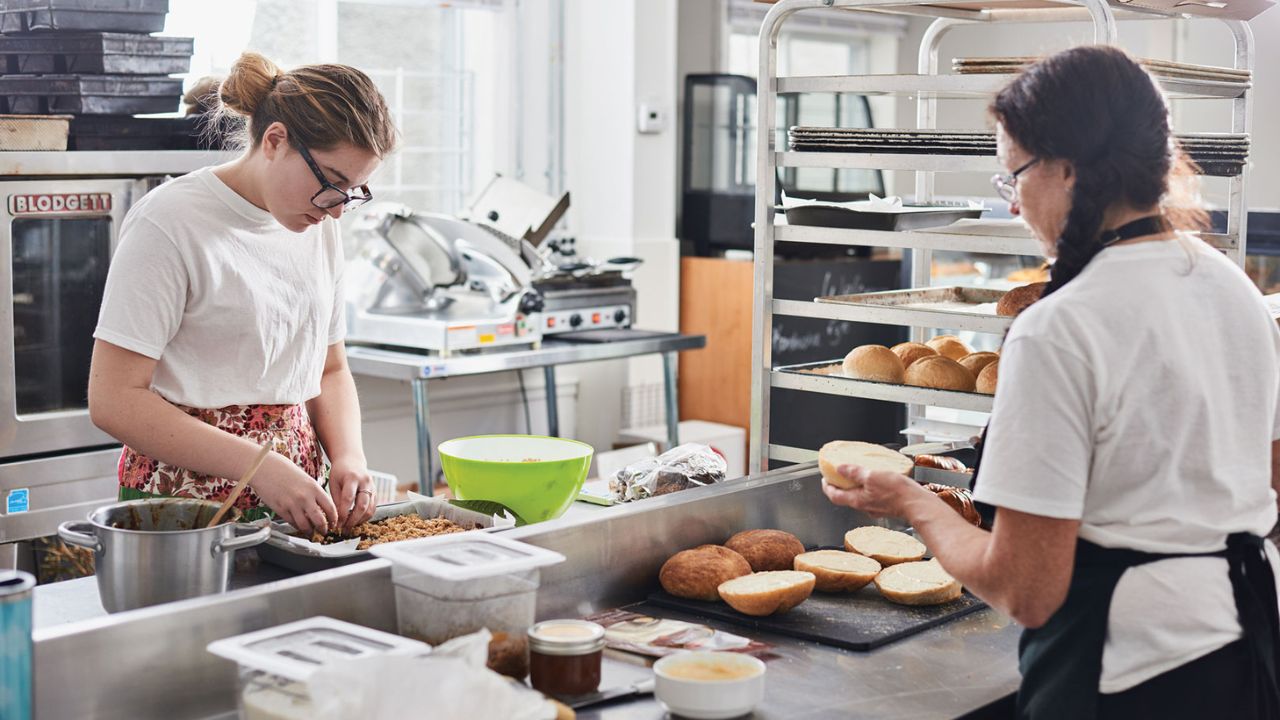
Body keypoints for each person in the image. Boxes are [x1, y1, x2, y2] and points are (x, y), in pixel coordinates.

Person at [822, 45, 1280, 719]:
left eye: (1014, 176)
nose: (1012, 206)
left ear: (1067, 169)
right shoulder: (1230, 286)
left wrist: (912, 504)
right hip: (1246, 645)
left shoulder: (1058, 326)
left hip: (1128, 670)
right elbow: (1265, 479)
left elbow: (1026, 591)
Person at [88, 52, 397, 536]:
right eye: (333, 184)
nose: (338, 211)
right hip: (184, 502)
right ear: (275, 140)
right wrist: (260, 467)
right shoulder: (169, 222)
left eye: (354, 191)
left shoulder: (318, 226)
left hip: (296, 491)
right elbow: (113, 399)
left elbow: (330, 368)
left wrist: (349, 456)